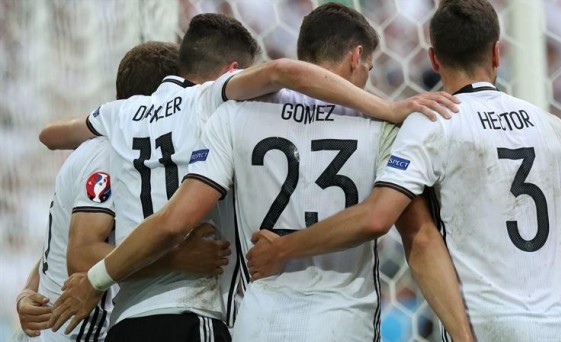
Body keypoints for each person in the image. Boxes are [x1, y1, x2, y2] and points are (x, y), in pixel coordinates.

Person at [42, 11, 461, 342]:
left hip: (253, 321)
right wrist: (387, 107)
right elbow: (390, 223)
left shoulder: (235, 118)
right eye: (368, 65)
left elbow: (55, 137)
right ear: (356, 57)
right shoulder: (379, 122)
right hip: (336, 319)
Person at [246, 0, 561, 341]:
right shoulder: (553, 127)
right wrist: (546, 300)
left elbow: (379, 219)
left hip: (485, 322)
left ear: (433, 58)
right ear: (496, 53)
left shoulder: (434, 123)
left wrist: (282, 249)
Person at [15, 41, 227, 341]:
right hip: (75, 333)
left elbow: (56, 247)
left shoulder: (103, 147)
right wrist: (176, 259)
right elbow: (80, 255)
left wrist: (27, 291)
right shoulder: (111, 152)